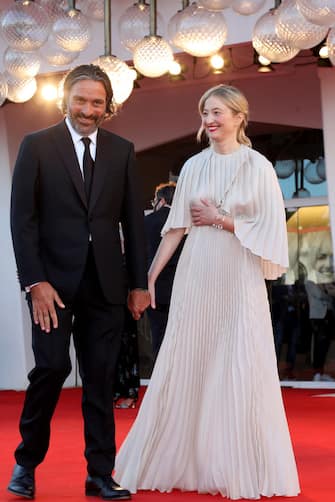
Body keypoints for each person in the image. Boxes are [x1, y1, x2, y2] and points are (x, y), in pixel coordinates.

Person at [114, 84, 300, 499]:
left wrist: (222, 219)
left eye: (218, 112)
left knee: (239, 362)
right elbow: (175, 228)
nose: (211, 120)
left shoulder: (259, 167)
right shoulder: (194, 166)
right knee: (189, 356)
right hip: (197, 275)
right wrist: (148, 277)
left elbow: (273, 232)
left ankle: (236, 464)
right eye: (205, 113)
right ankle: (184, 459)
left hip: (238, 275)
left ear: (239, 116)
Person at [8, 64, 150, 501]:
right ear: (64, 99)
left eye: (97, 102)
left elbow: (132, 219)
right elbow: (22, 220)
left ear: (108, 106)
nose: (88, 109)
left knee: (101, 378)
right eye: (81, 100)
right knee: (50, 369)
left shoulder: (122, 150)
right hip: (52, 285)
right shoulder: (37, 146)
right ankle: (26, 463)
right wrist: (35, 282)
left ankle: (99, 474)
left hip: (107, 284)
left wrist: (138, 282)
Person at [144, 182, 185, 360]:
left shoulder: (146, 222)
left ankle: (160, 380)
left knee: (158, 337)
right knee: (181, 342)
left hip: (155, 292)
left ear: (161, 200)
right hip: (182, 289)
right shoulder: (187, 223)